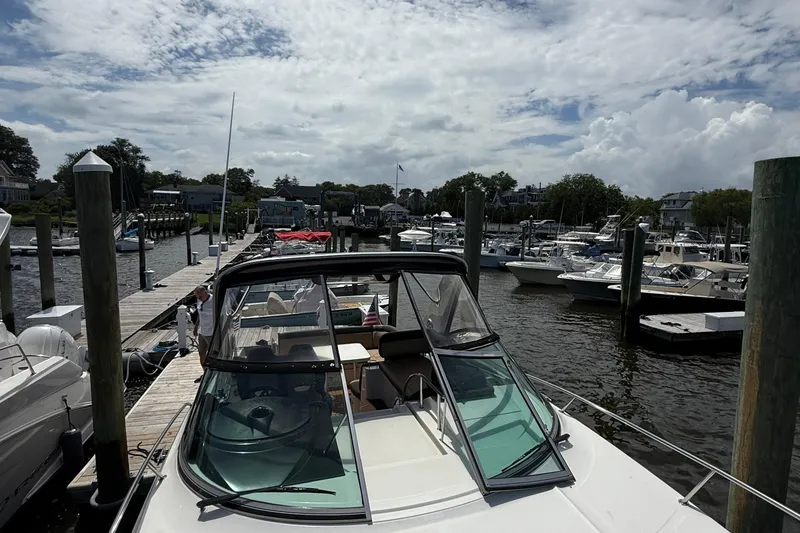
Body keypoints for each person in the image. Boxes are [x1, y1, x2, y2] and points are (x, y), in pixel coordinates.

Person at [193, 284, 214, 382]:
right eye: (197, 297)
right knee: (201, 353)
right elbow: (199, 313)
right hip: (202, 331)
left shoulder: (213, 301)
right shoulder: (199, 301)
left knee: (213, 354)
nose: (199, 298)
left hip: (211, 332)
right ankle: (205, 372)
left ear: (204, 293)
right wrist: (196, 326)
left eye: (200, 296)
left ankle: (213, 374)